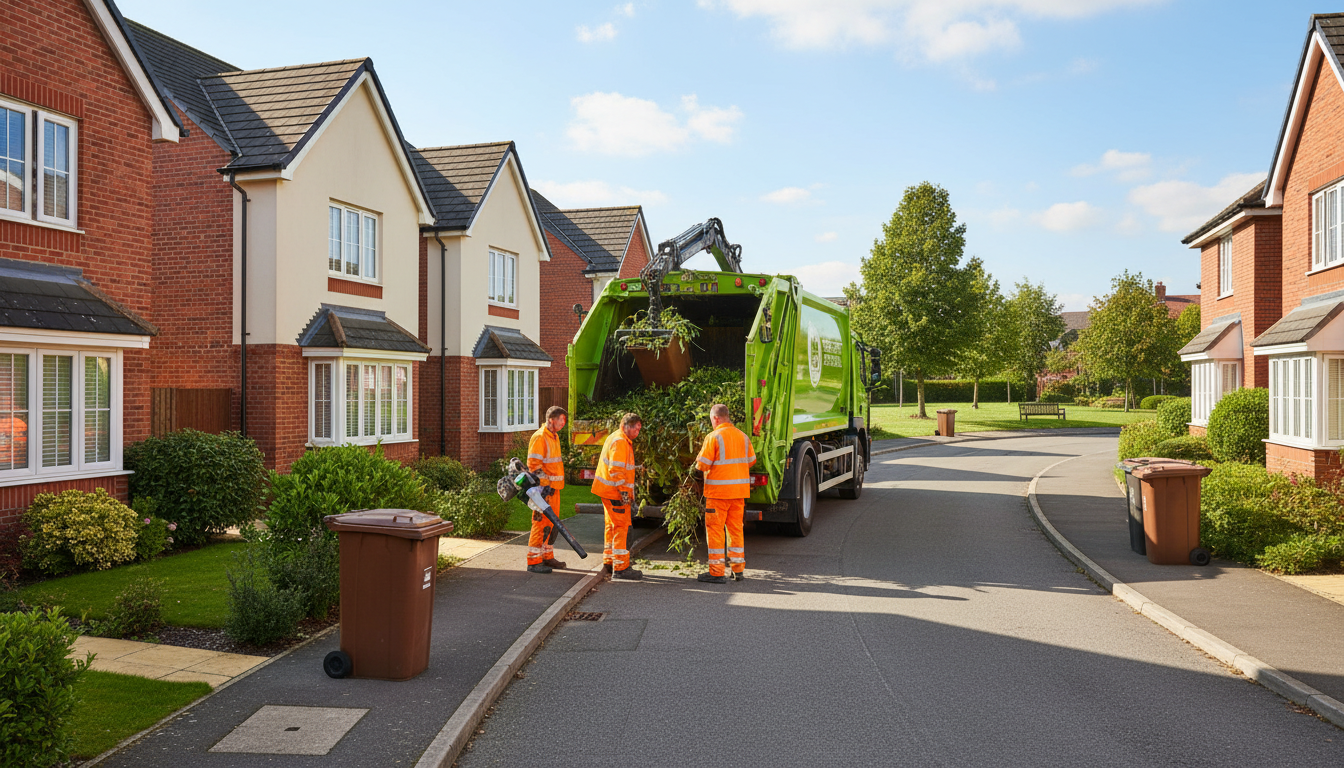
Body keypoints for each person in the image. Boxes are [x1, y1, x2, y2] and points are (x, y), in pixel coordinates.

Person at [693, 403, 756, 583]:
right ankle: (738, 570)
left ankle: (716, 572)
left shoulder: (713, 437)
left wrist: (698, 462)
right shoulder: (743, 437)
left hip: (718, 494)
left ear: (716, 418)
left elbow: (702, 465)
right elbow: (751, 461)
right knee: (736, 530)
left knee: (715, 531)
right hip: (739, 494)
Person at [593, 412, 643, 580]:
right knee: (621, 527)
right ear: (625, 426)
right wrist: (624, 494)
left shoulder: (616, 438)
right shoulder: (621, 441)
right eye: (635, 429)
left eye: (638, 430)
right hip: (615, 492)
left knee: (611, 526)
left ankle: (609, 561)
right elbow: (616, 470)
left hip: (607, 491)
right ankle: (621, 567)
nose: (637, 433)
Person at [526, 406, 568, 574]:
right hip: (543, 491)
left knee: (552, 524)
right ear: (551, 419)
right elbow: (533, 466)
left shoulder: (553, 436)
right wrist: (546, 485)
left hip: (553, 489)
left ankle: (547, 556)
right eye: (561, 420)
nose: (563, 423)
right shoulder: (540, 437)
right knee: (540, 523)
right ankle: (534, 561)